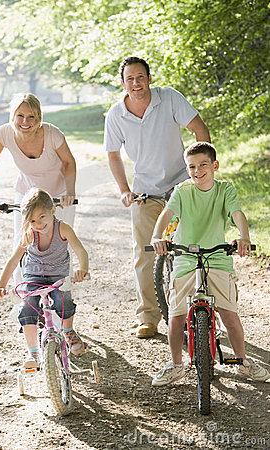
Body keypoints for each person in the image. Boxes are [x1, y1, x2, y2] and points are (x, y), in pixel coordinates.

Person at [103, 56, 211, 338]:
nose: (136, 84)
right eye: (130, 79)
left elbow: (200, 129)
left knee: (196, 246)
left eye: (141, 77)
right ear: (123, 83)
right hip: (144, 193)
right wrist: (125, 190)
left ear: (149, 78)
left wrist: (203, 172)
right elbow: (112, 154)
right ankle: (148, 316)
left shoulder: (169, 98)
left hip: (180, 185)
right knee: (145, 252)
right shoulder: (116, 115)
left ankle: (204, 309)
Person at [151, 142, 270, 384]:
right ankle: (175, 365)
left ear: (214, 165)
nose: (197, 170)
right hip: (186, 258)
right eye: (191, 166)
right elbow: (166, 216)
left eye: (203, 164)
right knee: (176, 317)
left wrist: (244, 237)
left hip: (217, 257)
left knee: (229, 315)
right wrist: (157, 237)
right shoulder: (183, 191)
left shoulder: (225, 190)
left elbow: (237, 214)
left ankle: (242, 361)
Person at [0, 93, 76, 282]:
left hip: (57, 195)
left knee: (61, 243)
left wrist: (70, 193)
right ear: (13, 116)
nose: (25, 121)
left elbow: (69, 162)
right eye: (20, 116)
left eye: (31, 116)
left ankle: (62, 296)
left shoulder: (52, 134)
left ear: (39, 118)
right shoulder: (4, 133)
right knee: (22, 243)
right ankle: (22, 297)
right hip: (26, 195)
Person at [0, 188, 89, 369]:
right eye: (32, 220)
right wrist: (0, 285)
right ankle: (33, 353)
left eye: (42, 217)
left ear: (52, 210)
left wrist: (83, 269)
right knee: (27, 307)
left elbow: (80, 250)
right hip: (33, 277)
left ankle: (68, 331)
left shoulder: (63, 228)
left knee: (63, 301)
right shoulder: (29, 234)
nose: (38, 224)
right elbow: (13, 260)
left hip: (58, 276)